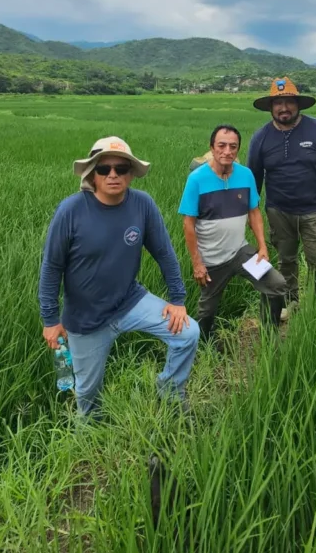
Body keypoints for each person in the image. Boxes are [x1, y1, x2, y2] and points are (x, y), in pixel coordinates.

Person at [38, 136, 199, 419]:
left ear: (131, 173)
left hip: (130, 301)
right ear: (93, 174)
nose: (113, 175)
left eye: (121, 168)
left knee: (188, 333)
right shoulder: (71, 211)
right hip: (86, 319)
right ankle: (89, 436)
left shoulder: (142, 204)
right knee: (88, 397)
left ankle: (170, 392)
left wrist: (177, 299)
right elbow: (51, 267)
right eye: (104, 169)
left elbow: (164, 253)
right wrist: (50, 320)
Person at [179, 125, 287, 345]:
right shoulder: (197, 179)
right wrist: (197, 263)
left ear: (238, 149)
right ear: (212, 147)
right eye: (221, 145)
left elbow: (254, 212)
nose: (227, 151)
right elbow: (188, 224)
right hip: (211, 260)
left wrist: (262, 246)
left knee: (276, 284)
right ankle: (205, 345)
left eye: (233, 146)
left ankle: (269, 333)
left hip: (240, 252)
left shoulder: (245, 175)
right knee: (207, 310)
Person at [247, 77, 316, 307]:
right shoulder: (261, 137)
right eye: (278, 103)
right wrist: (250, 211)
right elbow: (254, 178)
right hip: (278, 211)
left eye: (289, 102)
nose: (284, 108)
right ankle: (290, 302)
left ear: (298, 104)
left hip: (314, 211)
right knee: (286, 261)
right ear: (271, 107)